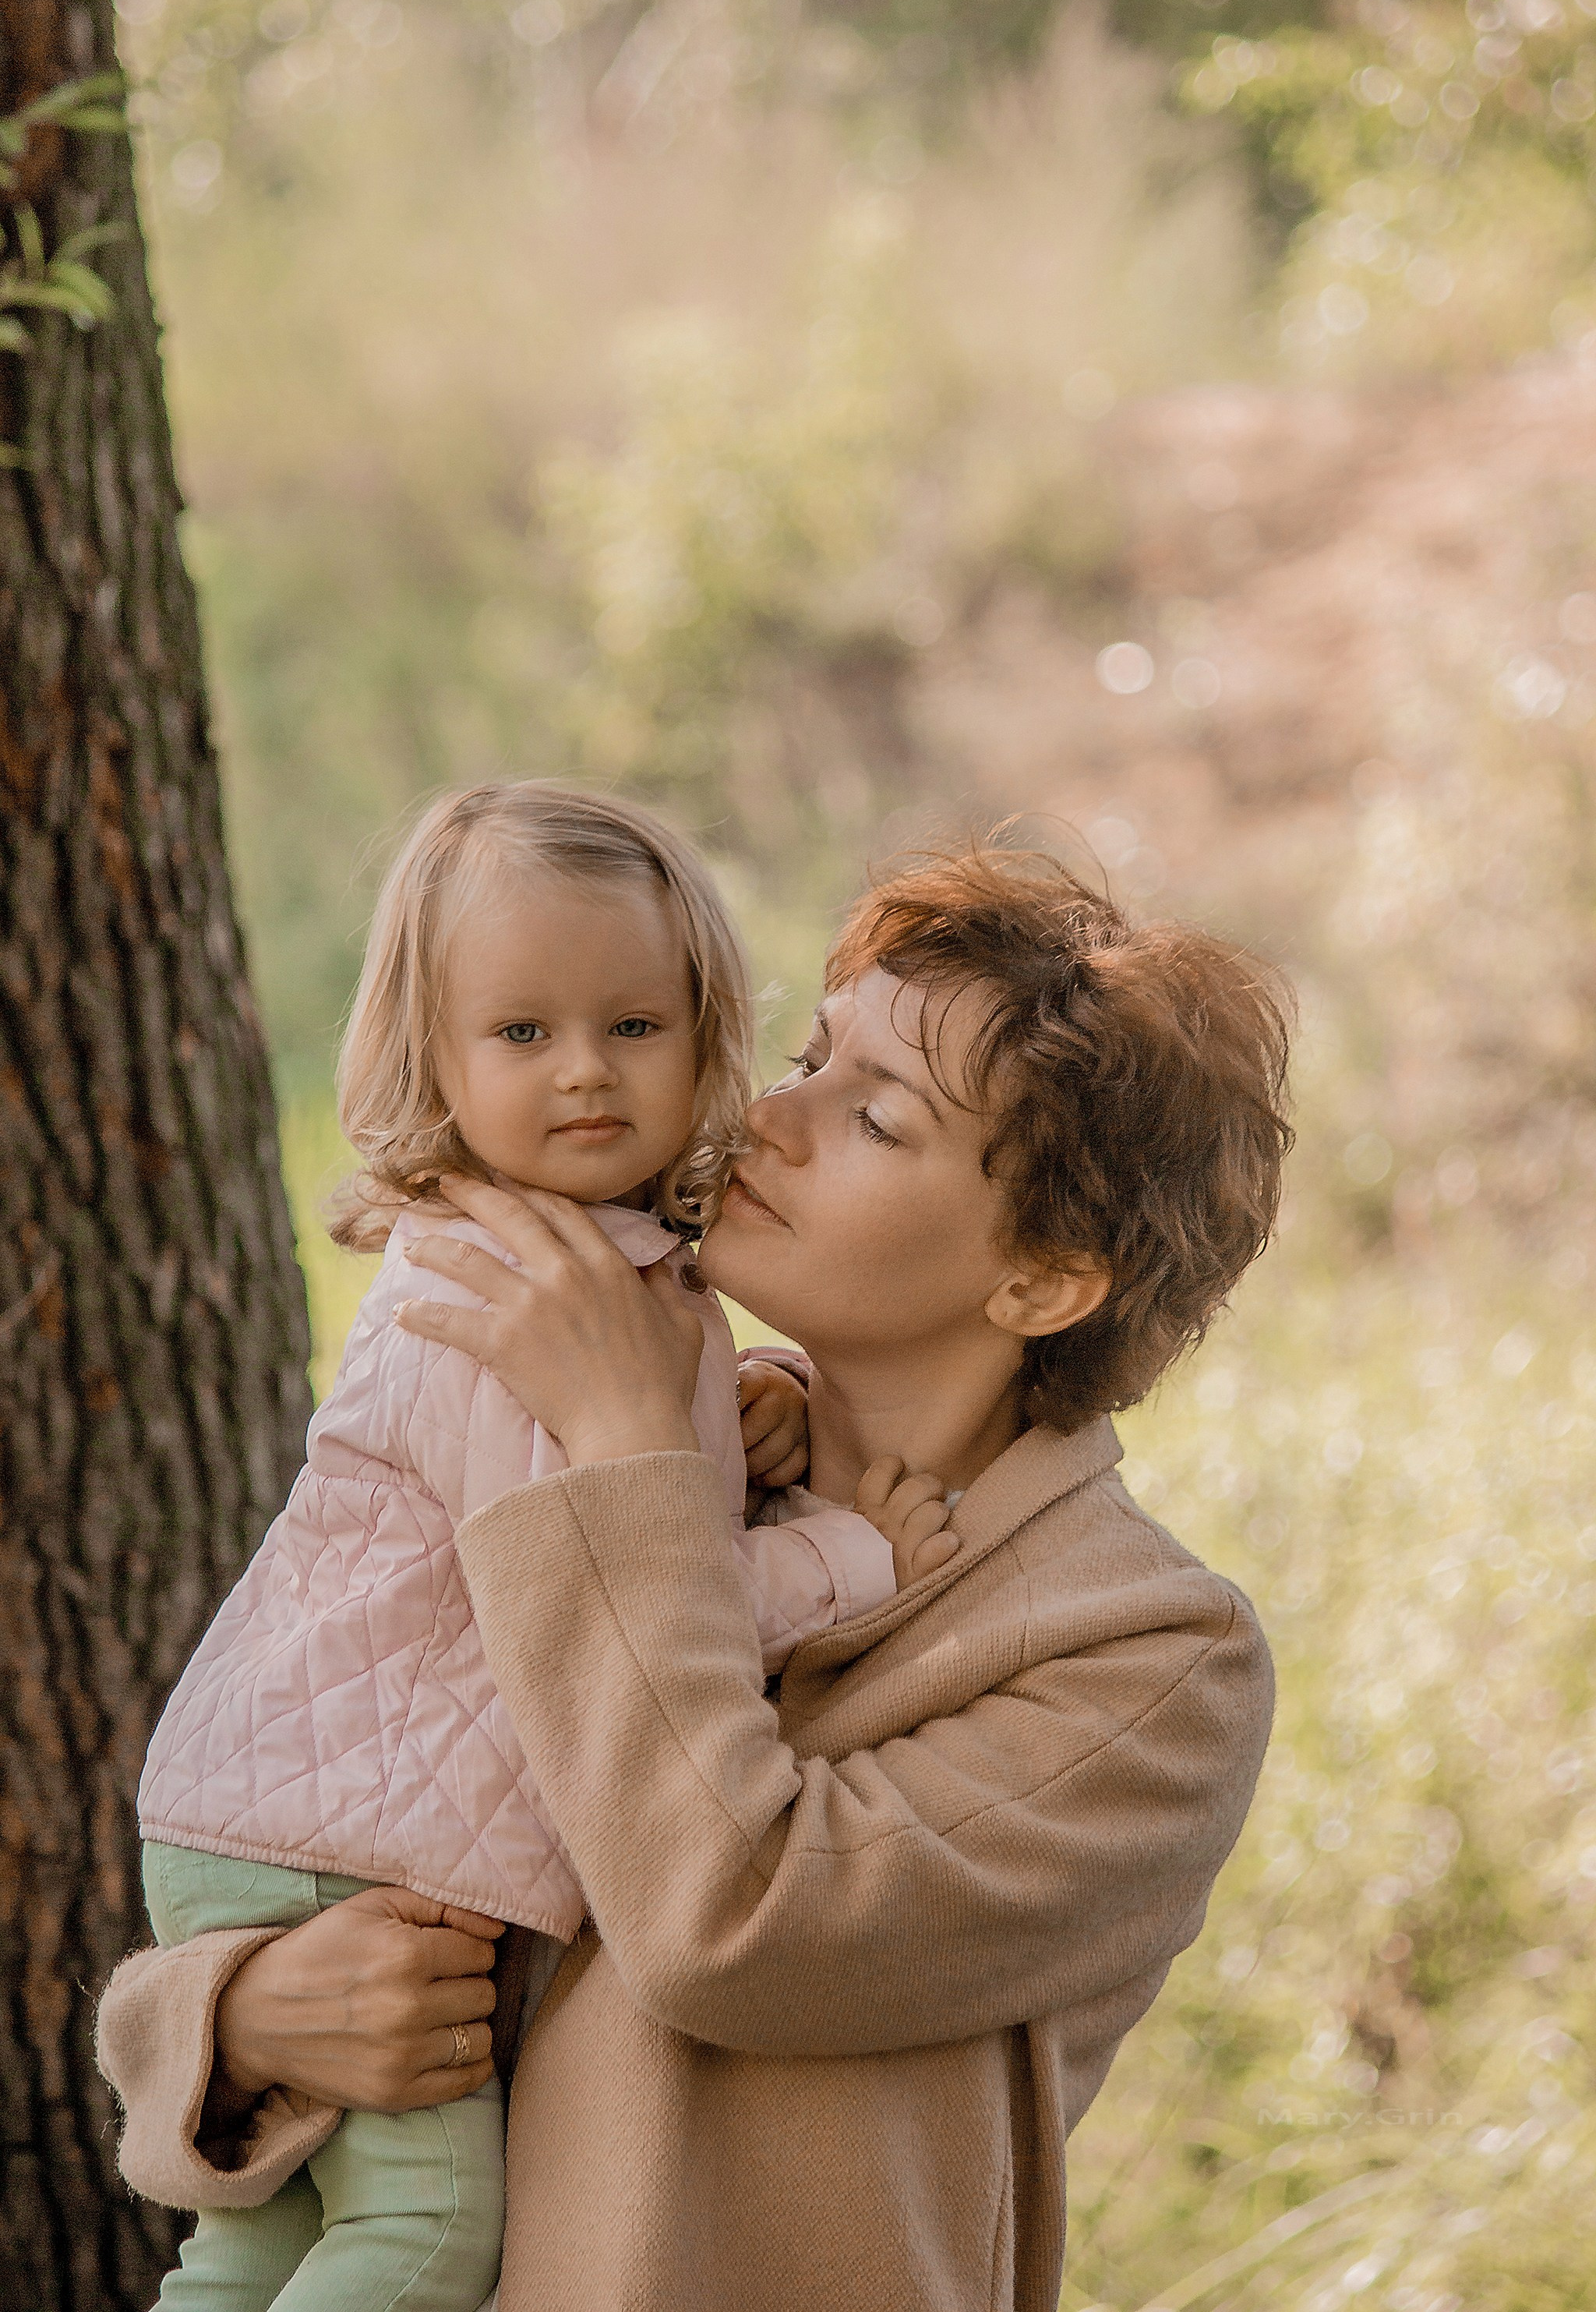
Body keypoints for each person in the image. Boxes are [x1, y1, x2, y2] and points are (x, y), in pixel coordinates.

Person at [99, 839, 1288, 2312]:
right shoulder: (686, 1450)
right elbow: (372, 1797)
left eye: (876, 1117)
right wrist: (239, 2021)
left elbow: (734, 1922)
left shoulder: (1147, 1662)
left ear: (1042, 1277)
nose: (768, 1120)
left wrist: (625, 1459)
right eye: (805, 1057)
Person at [124, 781, 947, 2312]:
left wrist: (742, 1409)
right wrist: (848, 1560)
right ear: (431, 1057)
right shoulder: (502, 1293)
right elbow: (585, 1583)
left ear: (707, 1027)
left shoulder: (603, 1261)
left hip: (286, 1801)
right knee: (423, 2232)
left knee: (257, 2243)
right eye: (521, 1036)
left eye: (634, 1027)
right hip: (339, 1842)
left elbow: (640, 1478)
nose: (585, 1072)